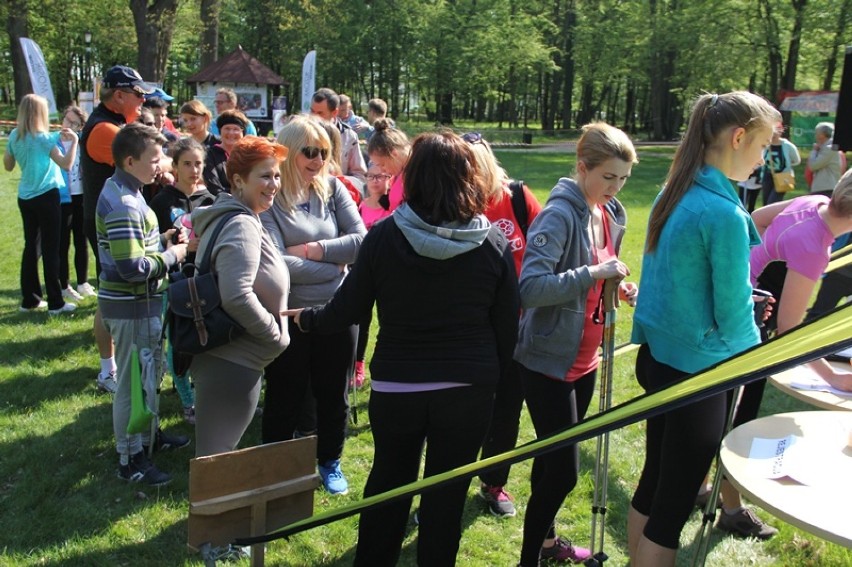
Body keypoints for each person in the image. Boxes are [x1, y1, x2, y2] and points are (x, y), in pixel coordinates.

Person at [287, 131, 519, 566]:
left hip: (404, 387)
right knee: (443, 494)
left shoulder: (388, 237)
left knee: (390, 483)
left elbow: (346, 308)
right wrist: (499, 387)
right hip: (465, 390)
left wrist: (310, 319)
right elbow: (508, 329)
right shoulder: (490, 244)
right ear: (466, 179)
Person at [628, 91, 779, 567]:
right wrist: (759, 356)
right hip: (697, 376)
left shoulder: (674, 189)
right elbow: (735, 320)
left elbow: (676, 282)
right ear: (738, 138)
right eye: (762, 147)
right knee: (672, 507)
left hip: (659, 361)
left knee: (656, 482)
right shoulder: (724, 213)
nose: (762, 159)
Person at [514, 123, 637, 565]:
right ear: (583, 168)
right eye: (608, 177)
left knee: (551, 464)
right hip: (548, 361)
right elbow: (529, 288)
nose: (616, 187)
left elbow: (597, 272)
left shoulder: (605, 212)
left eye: (623, 178)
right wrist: (593, 276)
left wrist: (616, 287)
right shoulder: (559, 214)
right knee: (564, 473)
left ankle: (546, 544)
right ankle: (529, 558)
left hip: (587, 359)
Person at [259, 115, 366, 495]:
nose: (319, 159)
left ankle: (329, 462)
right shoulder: (270, 199)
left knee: (333, 395)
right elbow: (274, 265)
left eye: (324, 151)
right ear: (288, 153)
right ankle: (272, 465)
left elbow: (362, 241)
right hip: (288, 315)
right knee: (284, 393)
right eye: (310, 151)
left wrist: (310, 250)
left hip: (336, 313)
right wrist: (334, 266)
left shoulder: (333, 189)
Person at [96, 123, 190, 486]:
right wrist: (173, 254)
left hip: (141, 305)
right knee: (132, 384)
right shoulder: (122, 203)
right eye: (154, 159)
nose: (161, 164)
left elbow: (135, 249)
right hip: (131, 306)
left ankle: (149, 437)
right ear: (130, 160)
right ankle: (130, 458)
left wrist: (161, 239)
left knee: (147, 377)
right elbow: (132, 269)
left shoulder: (129, 192)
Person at [191, 136, 291, 457]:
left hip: (232, 362)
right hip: (232, 364)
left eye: (276, 175)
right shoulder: (242, 224)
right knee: (215, 463)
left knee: (215, 459)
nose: (274, 184)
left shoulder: (240, 216)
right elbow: (236, 294)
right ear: (237, 181)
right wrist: (274, 337)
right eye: (264, 176)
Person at [461, 131, 543, 520]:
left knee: (508, 408)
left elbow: (547, 244)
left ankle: (494, 483)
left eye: (476, 163)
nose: (472, 173)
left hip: (517, 326)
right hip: (468, 329)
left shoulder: (515, 197)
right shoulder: (451, 203)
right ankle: (444, 487)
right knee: (460, 412)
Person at [82, 64, 153, 394]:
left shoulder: (116, 124)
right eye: (138, 95)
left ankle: (115, 366)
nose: (143, 101)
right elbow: (153, 162)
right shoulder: (104, 130)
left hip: (119, 218)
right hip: (112, 223)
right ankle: (108, 370)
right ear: (120, 95)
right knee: (111, 298)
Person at [150, 137, 216, 425]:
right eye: (187, 164)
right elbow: (151, 246)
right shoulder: (162, 201)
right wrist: (175, 247)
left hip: (205, 281)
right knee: (178, 343)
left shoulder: (211, 201)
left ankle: (208, 395)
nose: (193, 169)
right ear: (174, 166)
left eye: (198, 163)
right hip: (174, 281)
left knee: (206, 340)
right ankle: (187, 401)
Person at [4, 94, 79, 315]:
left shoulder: (14, 136)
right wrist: (73, 142)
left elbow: (8, 166)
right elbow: (66, 164)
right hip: (47, 196)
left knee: (30, 248)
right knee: (51, 249)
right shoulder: (45, 138)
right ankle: (56, 302)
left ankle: (30, 299)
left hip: (25, 197)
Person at [352, 162, 393, 387]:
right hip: (365, 269)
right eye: (371, 176)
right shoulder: (359, 206)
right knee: (362, 318)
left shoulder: (394, 207)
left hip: (388, 270)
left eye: (381, 176)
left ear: (389, 179)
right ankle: (358, 365)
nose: (375, 181)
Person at [57, 105, 92, 302]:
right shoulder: (54, 141)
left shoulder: (82, 144)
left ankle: (83, 282)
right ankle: (64, 285)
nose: (68, 125)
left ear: (80, 127)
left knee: (82, 240)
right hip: (61, 198)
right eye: (67, 120)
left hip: (81, 196)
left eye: (74, 123)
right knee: (62, 243)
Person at [310, 87, 368, 185]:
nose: (314, 117)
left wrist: (338, 182)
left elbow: (360, 176)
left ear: (334, 113)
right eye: (312, 111)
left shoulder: (349, 136)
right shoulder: (302, 133)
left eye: (320, 113)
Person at [366, 118, 410, 212]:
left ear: (394, 154)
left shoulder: (416, 174)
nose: (382, 170)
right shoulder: (398, 173)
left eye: (382, 165)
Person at [203, 109, 249, 194]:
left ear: (243, 133)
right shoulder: (209, 154)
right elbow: (213, 185)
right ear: (220, 131)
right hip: (221, 202)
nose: (231, 133)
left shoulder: (249, 155)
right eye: (227, 128)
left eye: (236, 129)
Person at [761, 125, 800, 206]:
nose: (774, 135)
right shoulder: (765, 144)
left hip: (783, 177)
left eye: (776, 132)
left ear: (781, 132)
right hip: (767, 176)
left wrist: (787, 165)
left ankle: (773, 218)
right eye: (772, 132)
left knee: (773, 202)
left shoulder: (788, 146)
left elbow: (796, 160)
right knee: (766, 203)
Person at [808, 122, 842, 197]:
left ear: (822, 135)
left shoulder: (829, 148)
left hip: (826, 188)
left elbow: (813, 166)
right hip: (825, 187)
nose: (815, 136)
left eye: (816, 133)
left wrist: (814, 151)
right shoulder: (827, 147)